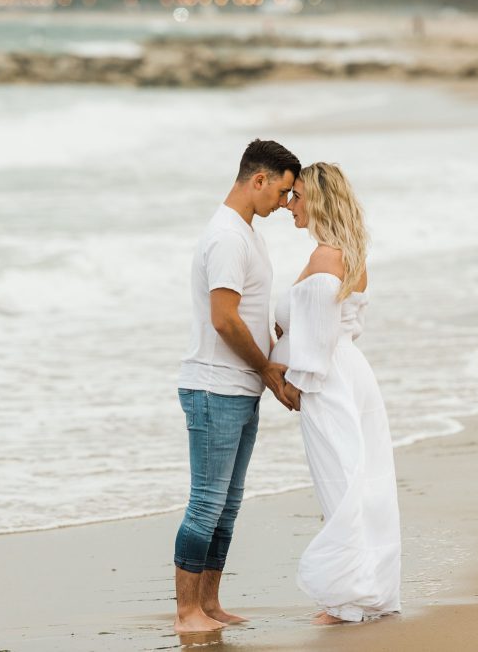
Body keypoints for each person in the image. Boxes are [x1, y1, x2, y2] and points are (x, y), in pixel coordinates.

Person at [173, 139, 301, 633]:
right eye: (282, 192)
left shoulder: (248, 234)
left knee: (228, 503)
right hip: (213, 388)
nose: (285, 204)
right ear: (259, 179)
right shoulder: (226, 237)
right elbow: (224, 320)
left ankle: (209, 604)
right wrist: (269, 372)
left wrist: (281, 360)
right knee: (206, 501)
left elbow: (252, 314)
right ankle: (186, 612)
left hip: (239, 387)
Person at [271, 162, 402, 624]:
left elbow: (320, 339)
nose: (290, 205)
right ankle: (368, 591)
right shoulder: (352, 254)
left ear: (319, 201)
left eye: (298, 196)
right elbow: (349, 327)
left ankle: (347, 600)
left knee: (340, 481)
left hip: (327, 379)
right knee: (360, 479)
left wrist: (291, 384)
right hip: (350, 372)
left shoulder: (327, 258)